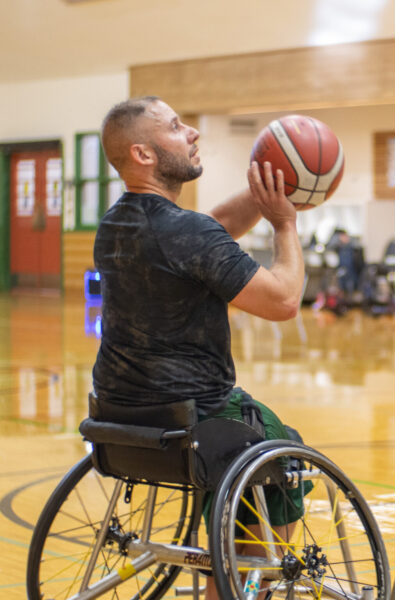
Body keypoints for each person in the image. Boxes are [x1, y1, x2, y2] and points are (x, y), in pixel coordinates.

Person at [92, 96, 305, 597]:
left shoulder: (115, 224)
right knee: (284, 451)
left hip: (118, 417)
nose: (192, 132)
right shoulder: (185, 232)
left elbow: (207, 235)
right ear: (143, 154)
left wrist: (260, 194)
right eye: (175, 126)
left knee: (246, 444)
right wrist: (286, 225)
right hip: (194, 419)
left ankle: (221, 561)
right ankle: (230, 583)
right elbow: (284, 301)